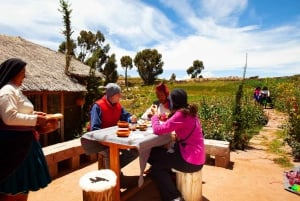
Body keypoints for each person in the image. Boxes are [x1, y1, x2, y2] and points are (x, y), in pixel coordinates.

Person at [0, 58, 55, 201]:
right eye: (23, 72)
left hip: (24, 146)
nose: (25, 75)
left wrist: (33, 114)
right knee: (14, 189)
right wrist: (37, 120)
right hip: (15, 149)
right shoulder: (7, 91)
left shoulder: (16, 90)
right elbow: (10, 117)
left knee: (22, 189)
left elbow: (18, 112)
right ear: (14, 72)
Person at [147, 89, 205, 201]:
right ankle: (168, 178)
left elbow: (158, 129)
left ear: (174, 101)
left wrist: (154, 116)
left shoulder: (181, 115)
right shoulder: (190, 113)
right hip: (197, 158)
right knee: (155, 153)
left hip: (190, 161)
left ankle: (174, 197)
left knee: (156, 168)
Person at [87, 83, 138, 168]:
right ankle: (112, 173)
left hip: (113, 139)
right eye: (119, 94)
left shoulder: (118, 106)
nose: (120, 96)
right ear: (112, 95)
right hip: (97, 140)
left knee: (134, 152)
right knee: (109, 152)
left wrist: (131, 118)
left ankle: (114, 168)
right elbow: (95, 129)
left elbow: (126, 116)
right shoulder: (97, 106)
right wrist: (107, 141)